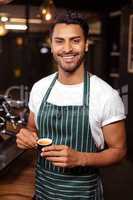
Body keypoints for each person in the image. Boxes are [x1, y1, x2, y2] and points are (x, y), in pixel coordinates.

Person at [16, 11, 127, 200]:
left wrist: (81, 158)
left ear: (86, 45)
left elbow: (119, 151)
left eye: (75, 40)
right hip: (42, 190)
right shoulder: (40, 88)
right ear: (51, 46)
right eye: (59, 41)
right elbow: (32, 129)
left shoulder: (106, 95)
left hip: (83, 193)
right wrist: (26, 137)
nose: (67, 48)